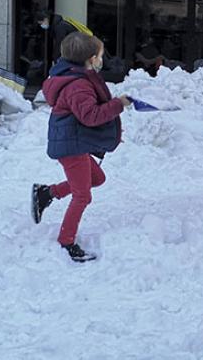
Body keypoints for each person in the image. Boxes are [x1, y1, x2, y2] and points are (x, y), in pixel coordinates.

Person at [30, 32, 132, 262]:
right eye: (100, 56)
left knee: (97, 179)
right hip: (70, 147)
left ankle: (47, 193)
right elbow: (91, 116)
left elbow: (84, 115)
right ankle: (66, 241)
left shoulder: (75, 78)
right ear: (90, 58)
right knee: (82, 195)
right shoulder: (78, 85)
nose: (101, 60)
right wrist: (118, 104)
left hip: (74, 141)